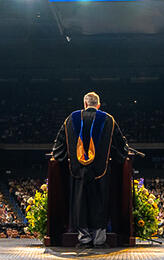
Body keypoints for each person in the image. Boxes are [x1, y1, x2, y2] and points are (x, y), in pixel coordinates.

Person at [52, 91, 129, 248]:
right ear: (98, 105)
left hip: (78, 172)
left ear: (85, 104)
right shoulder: (108, 119)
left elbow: (59, 146)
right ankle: (99, 240)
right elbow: (120, 146)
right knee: (99, 203)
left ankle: (84, 239)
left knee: (81, 203)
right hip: (101, 172)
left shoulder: (71, 119)